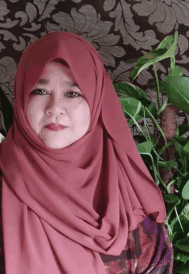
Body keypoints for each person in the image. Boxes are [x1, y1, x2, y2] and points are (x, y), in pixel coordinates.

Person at [0, 31, 173, 273]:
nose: (55, 108)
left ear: (97, 103)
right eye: (40, 91)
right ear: (21, 97)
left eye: (72, 93)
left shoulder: (133, 206)